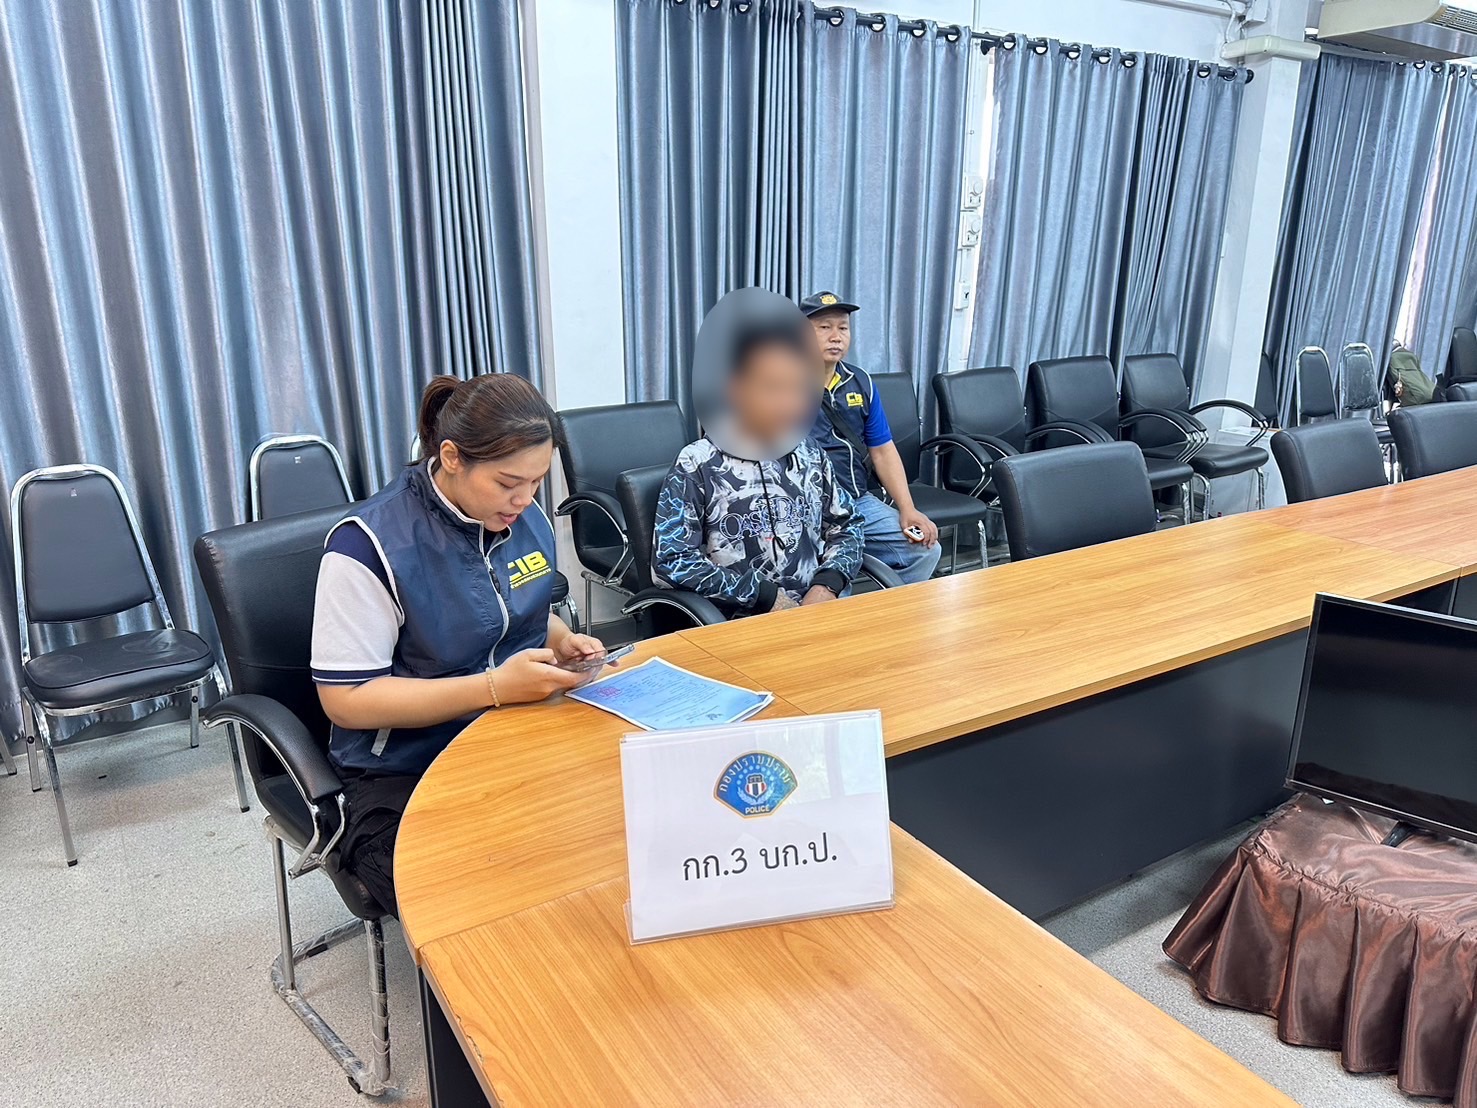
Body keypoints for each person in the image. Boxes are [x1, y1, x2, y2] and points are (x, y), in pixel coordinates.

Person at [310, 374, 606, 917]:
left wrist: (562, 640)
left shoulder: (521, 516)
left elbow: (517, 611)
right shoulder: (368, 547)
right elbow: (346, 700)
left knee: (605, 832)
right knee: (472, 899)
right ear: (451, 457)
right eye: (508, 482)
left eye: (538, 481)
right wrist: (494, 688)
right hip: (404, 767)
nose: (525, 500)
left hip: (511, 733)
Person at [653, 310, 863, 617]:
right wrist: (764, 596)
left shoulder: (810, 453)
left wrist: (827, 584)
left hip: (817, 612)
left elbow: (847, 525)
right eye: (772, 388)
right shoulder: (698, 464)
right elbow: (673, 560)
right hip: (741, 620)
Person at [800, 291, 942, 585]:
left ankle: (889, 610)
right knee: (829, 581)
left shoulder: (860, 381)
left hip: (857, 501)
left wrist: (907, 508)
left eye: (843, 328)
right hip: (805, 510)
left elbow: (882, 450)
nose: (836, 337)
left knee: (923, 550)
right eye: (824, 327)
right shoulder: (781, 385)